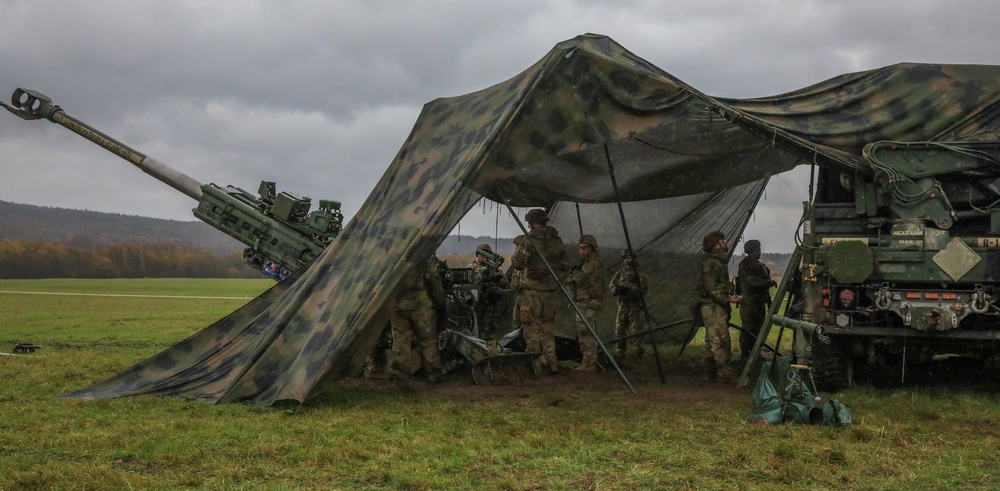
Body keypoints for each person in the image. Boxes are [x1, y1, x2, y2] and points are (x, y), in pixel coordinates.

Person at [511, 209, 569, 375]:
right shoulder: (556, 240)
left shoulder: (530, 240)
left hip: (532, 290)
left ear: (532, 222)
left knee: (531, 327)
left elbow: (517, 263)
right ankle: (553, 363)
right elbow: (565, 264)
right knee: (547, 328)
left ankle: (534, 366)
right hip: (549, 290)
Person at [388, 256, 448, 383]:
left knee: (400, 340)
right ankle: (433, 374)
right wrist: (440, 302)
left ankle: (399, 375)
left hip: (399, 303)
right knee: (428, 340)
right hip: (421, 303)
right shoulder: (424, 253)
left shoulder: (395, 254)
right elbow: (434, 279)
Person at [697, 230, 741, 383]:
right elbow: (711, 287)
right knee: (721, 340)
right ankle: (725, 375)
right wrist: (728, 299)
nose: (725, 242)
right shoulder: (712, 263)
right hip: (712, 306)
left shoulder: (716, 261)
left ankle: (708, 373)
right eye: (722, 240)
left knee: (712, 340)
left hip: (714, 305)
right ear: (715, 245)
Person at [565, 234, 606, 372]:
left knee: (585, 331)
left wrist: (574, 273)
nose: (581, 251)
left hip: (589, 302)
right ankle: (587, 361)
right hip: (584, 301)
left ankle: (589, 363)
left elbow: (581, 279)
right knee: (584, 331)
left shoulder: (593, 263)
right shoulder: (586, 262)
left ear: (592, 248)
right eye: (580, 248)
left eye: (584, 248)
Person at [737, 239, 777, 360]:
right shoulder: (745, 266)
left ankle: (755, 354)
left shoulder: (759, 266)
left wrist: (768, 300)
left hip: (759, 301)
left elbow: (763, 288)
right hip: (749, 302)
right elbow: (752, 282)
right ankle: (745, 354)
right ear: (750, 251)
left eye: (759, 249)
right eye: (756, 250)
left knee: (759, 328)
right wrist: (768, 282)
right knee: (748, 328)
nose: (759, 252)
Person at [608, 249, 649, 360]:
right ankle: (620, 352)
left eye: (629, 257)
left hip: (634, 305)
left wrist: (629, 290)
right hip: (623, 305)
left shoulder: (639, 270)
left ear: (634, 258)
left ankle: (638, 352)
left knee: (636, 330)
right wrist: (616, 290)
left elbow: (643, 287)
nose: (626, 260)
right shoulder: (621, 270)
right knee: (620, 329)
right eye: (624, 258)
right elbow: (611, 285)